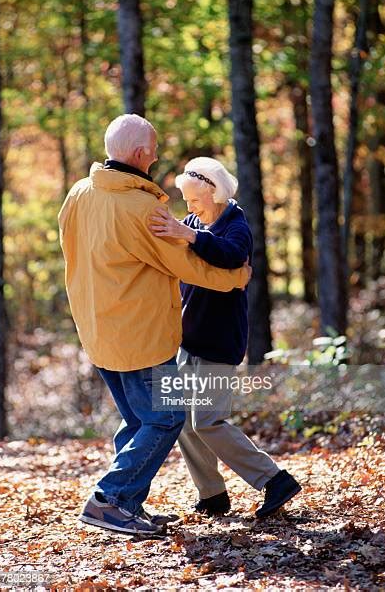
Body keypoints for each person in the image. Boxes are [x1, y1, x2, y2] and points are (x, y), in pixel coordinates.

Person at [58, 116, 251, 536]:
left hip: (97, 329)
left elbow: (70, 251)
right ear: (142, 155)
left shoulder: (78, 193)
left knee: (135, 421)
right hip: (140, 334)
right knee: (166, 418)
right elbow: (187, 265)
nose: (158, 155)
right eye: (155, 149)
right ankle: (108, 499)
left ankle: (127, 504)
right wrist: (236, 277)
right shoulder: (142, 208)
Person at [149, 156, 302, 519]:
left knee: (208, 421)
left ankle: (274, 480)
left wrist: (189, 235)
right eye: (185, 201)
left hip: (219, 341)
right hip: (186, 340)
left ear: (214, 191)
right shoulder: (192, 222)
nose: (189, 207)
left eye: (194, 199)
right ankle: (212, 494)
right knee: (179, 419)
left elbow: (232, 255)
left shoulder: (236, 223)